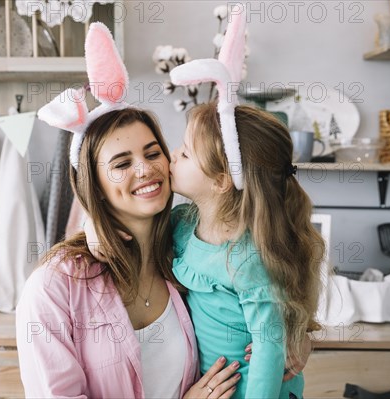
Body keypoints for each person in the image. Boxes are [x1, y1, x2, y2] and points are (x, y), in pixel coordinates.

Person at [85, 6, 322, 398]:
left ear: (221, 180)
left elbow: (267, 351)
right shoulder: (180, 223)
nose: (169, 157)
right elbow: (122, 224)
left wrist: (299, 337)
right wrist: (94, 226)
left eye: (184, 154)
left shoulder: (247, 259)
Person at [16, 23, 242, 399]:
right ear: (96, 187)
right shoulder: (55, 287)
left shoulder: (185, 250)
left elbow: (263, 276)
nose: (145, 169)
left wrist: (292, 340)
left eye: (153, 153)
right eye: (121, 163)